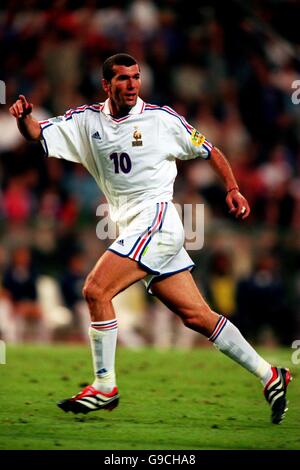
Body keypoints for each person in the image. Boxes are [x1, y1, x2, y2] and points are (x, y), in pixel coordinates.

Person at [9, 53, 292, 424]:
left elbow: (210, 150)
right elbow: (37, 134)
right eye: (123, 79)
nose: (131, 85)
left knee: (95, 290)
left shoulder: (161, 119)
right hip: (136, 229)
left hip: (157, 222)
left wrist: (233, 188)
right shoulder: (86, 121)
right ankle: (270, 374)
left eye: (136, 77)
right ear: (106, 85)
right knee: (197, 316)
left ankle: (105, 385)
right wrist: (24, 117)